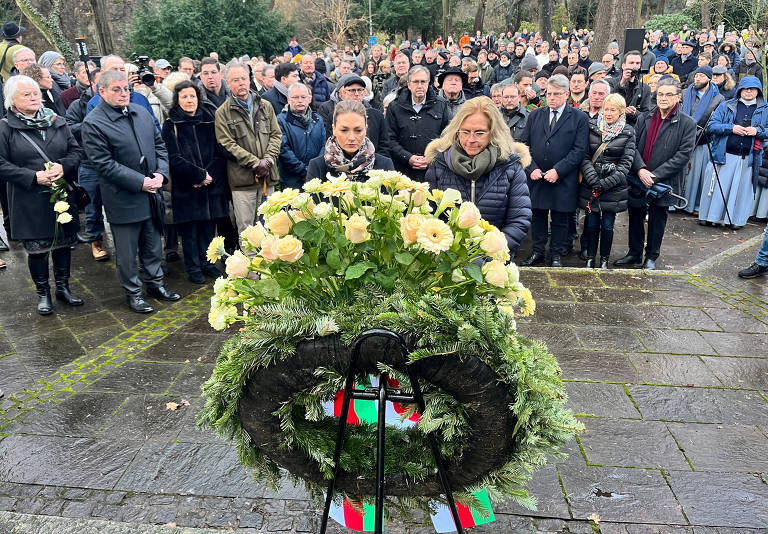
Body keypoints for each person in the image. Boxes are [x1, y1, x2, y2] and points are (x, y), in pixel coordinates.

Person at [82, 69, 180, 313]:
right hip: (123, 198)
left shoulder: (141, 112)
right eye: (117, 89)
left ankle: (155, 284)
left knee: (153, 244)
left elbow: (159, 146)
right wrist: (141, 182)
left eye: (126, 88)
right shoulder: (94, 123)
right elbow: (103, 164)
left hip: (151, 192)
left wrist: (161, 174)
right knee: (126, 252)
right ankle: (133, 293)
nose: (124, 94)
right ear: (101, 91)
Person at [0, 75, 84, 314]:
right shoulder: (5, 127)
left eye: (35, 92)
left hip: (60, 194)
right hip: (29, 198)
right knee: (38, 250)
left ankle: (63, 288)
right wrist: (31, 177)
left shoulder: (57, 121)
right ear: (12, 100)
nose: (34, 97)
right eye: (26, 94)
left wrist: (63, 166)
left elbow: (76, 151)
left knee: (63, 245)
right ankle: (43, 293)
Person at [424, 96, 531, 256]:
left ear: (493, 133)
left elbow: (519, 218)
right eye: (465, 132)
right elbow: (428, 213)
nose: (471, 140)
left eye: (479, 133)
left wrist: (491, 252)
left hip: (493, 262)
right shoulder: (440, 163)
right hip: (447, 262)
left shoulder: (510, 166)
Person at [615, 77, 696, 270]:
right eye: (660, 94)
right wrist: (641, 169)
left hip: (663, 182)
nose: (663, 98)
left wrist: (655, 176)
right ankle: (634, 253)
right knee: (635, 215)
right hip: (639, 177)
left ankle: (651, 256)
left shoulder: (687, 123)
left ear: (678, 97)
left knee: (658, 219)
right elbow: (632, 145)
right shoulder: (645, 117)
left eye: (669, 94)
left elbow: (682, 156)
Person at [161, 80, 228, 284]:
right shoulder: (171, 124)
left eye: (192, 96)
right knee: (190, 231)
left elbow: (219, 151)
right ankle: (193, 266)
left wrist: (208, 176)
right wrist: (197, 176)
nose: (189, 100)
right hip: (187, 186)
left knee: (208, 227)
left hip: (211, 185)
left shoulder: (208, 119)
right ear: (177, 100)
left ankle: (207, 262)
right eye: (184, 97)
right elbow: (174, 157)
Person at [520, 74, 589, 267]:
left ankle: (557, 254)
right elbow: (525, 145)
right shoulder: (536, 115)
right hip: (537, 177)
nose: (551, 98)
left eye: (557, 94)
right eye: (549, 94)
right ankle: (538, 251)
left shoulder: (578, 118)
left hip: (563, 179)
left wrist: (558, 170)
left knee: (560, 218)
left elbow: (579, 150)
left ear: (566, 94)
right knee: (538, 216)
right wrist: (531, 167)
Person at [215, 62, 281, 233]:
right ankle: (249, 260)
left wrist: (267, 161)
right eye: (235, 80)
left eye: (244, 78)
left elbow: (276, 135)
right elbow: (226, 143)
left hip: (268, 177)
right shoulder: (222, 112)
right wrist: (254, 163)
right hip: (243, 181)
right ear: (228, 83)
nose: (241, 83)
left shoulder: (265, 106)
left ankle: (270, 260)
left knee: (271, 225)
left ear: (250, 80)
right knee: (247, 230)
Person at [698, 76, 768, 229]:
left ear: (758, 91)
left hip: (748, 158)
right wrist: (732, 128)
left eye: (753, 88)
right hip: (724, 155)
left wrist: (757, 130)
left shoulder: (765, 110)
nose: (749, 91)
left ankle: (735, 221)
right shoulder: (726, 106)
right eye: (745, 88)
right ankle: (710, 217)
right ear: (740, 90)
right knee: (716, 189)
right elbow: (712, 126)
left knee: (741, 192)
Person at [579, 94, 635, 269]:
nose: (609, 113)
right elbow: (585, 155)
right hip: (592, 184)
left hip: (613, 188)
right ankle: (590, 257)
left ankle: (604, 258)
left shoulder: (628, 131)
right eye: (606, 109)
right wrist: (593, 179)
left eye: (613, 110)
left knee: (608, 226)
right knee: (592, 224)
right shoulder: (592, 127)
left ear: (620, 112)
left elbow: (626, 163)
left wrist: (606, 183)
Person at [386, 65, 450, 181]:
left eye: (423, 82)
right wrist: (408, 157)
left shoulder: (441, 105)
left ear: (428, 83)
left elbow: (448, 137)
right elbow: (390, 139)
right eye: (416, 82)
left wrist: (432, 158)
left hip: (434, 171)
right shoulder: (394, 107)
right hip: (403, 172)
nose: (420, 86)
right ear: (409, 84)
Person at [306, 100, 393, 181]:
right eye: (344, 130)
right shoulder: (317, 167)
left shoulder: (384, 165)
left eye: (358, 131)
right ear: (334, 129)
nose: (351, 137)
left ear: (365, 129)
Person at [681, 65, 725, 214]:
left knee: (695, 175)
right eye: (696, 76)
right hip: (681, 138)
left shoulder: (718, 98)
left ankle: (691, 205)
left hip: (702, 140)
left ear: (709, 78)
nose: (697, 79)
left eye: (701, 76)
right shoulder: (685, 93)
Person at [317, 73, 390, 156]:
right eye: (352, 90)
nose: (357, 94)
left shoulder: (376, 115)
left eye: (360, 90)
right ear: (343, 93)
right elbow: (331, 143)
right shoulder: (333, 115)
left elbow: (384, 145)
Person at [277, 82, 325, 189]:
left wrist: (314, 169)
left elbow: (323, 146)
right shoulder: (281, 120)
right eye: (295, 97)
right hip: (292, 179)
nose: (300, 100)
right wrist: (304, 171)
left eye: (303, 97)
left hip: (316, 178)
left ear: (309, 99)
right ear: (289, 100)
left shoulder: (318, 120)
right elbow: (284, 150)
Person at [609, 50, 651, 126]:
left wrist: (635, 113)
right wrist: (622, 82)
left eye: (637, 63)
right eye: (631, 63)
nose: (634, 66)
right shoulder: (610, 82)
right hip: (612, 125)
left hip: (632, 129)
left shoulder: (645, 88)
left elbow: (647, 115)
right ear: (623, 65)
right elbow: (608, 102)